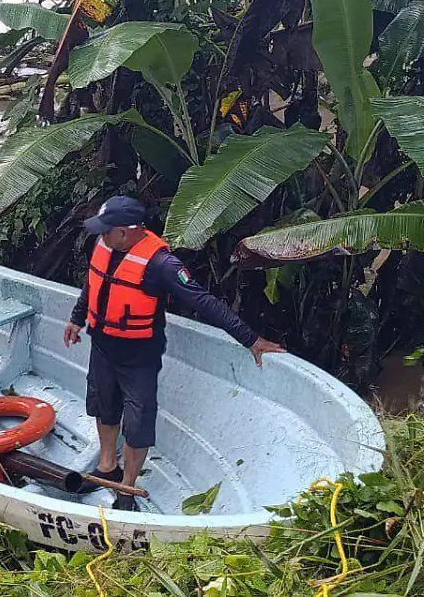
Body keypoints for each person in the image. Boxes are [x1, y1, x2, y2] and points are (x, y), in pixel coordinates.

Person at [63, 196, 286, 511]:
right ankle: (105, 467)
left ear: (126, 232)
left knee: (138, 421)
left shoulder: (161, 264)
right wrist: (76, 318)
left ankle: (126, 487)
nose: (99, 236)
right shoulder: (106, 246)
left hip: (138, 354)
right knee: (104, 405)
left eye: (105, 230)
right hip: (102, 344)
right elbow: (94, 283)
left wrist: (249, 338)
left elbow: (202, 301)